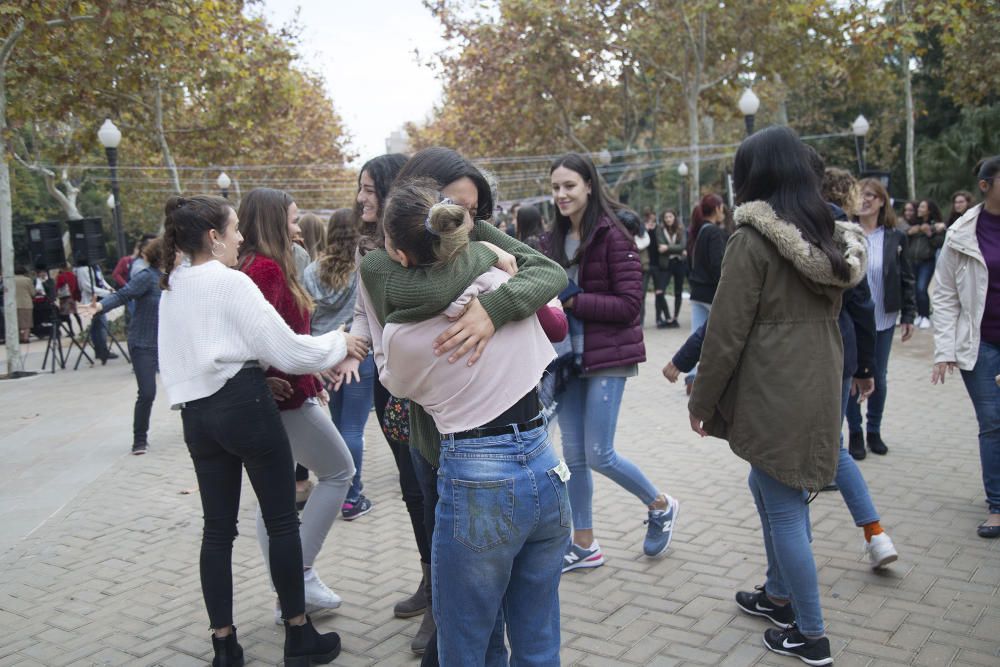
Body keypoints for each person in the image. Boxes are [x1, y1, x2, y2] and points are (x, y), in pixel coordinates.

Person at [348, 146, 568, 661]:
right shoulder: (501, 271)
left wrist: (493, 303)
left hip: (472, 467)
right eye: (455, 210)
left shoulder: (406, 332)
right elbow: (546, 277)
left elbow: (396, 371)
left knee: (466, 641)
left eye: (472, 212)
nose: (465, 221)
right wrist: (492, 266)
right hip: (542, 460)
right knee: (537, 639)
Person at [157, 194, 365, 665]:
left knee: (216, 531)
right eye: (233, 230)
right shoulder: (229, 282)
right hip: (245, 403)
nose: (240, 238)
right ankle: (298, 635)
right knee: (281, 520)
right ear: (213, 238)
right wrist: (339, 342)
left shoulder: (172, 286)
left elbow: (172, 361)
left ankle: (224, 645)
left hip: (197, 415)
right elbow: (289, 351)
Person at [689, 126, 867, 666]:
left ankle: (810, 634)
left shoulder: (752, 240)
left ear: (756, 176)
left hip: (774, 389)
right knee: (766, 485)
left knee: (785, 509)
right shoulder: (831, 237)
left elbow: (724, 332)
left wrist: (701, 402)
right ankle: (777, 594)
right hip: (819, 381)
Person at [546, 152, 679, 570]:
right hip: (567, 359)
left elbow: (628, 306)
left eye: (569, 185)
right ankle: (583, 544)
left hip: (608, 355)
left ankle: (660, 505)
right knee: (574, 457)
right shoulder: (553, 239)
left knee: (600, 453)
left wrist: (574, 298)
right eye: (555, 188)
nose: (562, 194)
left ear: (589, 185)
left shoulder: (613, 235)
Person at [235, 187, 358, 625]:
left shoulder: (265, 265)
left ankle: (292, 584)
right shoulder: (263, 269)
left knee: (274, 499)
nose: (298, 224)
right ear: (271, 221)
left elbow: (278, 340)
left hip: (289, 392)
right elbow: (257, 340)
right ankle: (296, 578)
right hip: (283, 400)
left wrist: (306, 378)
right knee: (340, 471)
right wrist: (270, 378)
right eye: (291, 217)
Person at [932, 156, 1000, 539]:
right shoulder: (961, 233)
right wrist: (944, 350)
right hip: (982, 344)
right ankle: (998, 506)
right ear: (985, 185)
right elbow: (943, 295)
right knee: (993, 424)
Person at [846, 178, 916, 459]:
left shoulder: (895, 236)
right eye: (860, 195)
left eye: (871, 196)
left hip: (884, 318)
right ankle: (856, 432)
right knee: (851, 376)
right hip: (853, 319)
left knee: (879, 377)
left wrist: (909, 313)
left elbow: (906, 277)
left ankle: (874, 430)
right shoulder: (847, 233)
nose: (865, 200)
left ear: (882, 201)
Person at [78, 239, 164, 455]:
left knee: (186, 391)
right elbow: (122, 295)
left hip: (168, 345)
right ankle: (139, 440)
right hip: (143, 343)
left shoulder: (175, 279)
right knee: (147, 393)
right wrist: (99, 306)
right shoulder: (147, 277)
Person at [684, 193, 726, 389]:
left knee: (696, 335)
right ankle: (716, 379)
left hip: (697, 291)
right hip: (711, 293)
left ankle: (692, 378)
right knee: (720, 336)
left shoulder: (697, 232)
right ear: (717, 208)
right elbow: (717, 265)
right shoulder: (714, 233)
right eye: (722, 207)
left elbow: (689, 263)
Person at [907, 198, 946, 329]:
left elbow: (940, 243)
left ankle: (925, 316)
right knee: (913, 289)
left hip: (927, 261)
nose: (919, 209)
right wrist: (912, 231)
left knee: (921, 288)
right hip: (912, 260)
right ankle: (919, 314)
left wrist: (929, 233)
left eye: (922, 207)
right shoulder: (913, 223)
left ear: (929, 210)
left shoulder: (937, 225)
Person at [74, 259, 118, 363]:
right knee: (101, 325)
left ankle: (100, 350)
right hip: (91, 299)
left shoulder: (95, 266)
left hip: (100, 298)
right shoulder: (82, 269)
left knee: (97, 325)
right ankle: (102, 350)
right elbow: (88, 286)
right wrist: (105, 292)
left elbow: (101, 281)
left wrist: (110, 289)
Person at [658, 209, 686, 328]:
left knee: (678, 292)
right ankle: (668, 318)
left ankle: (675, 318)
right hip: (666, 263)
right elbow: (660, 246)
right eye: (666, 217)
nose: (668, 219)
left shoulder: (681, 228)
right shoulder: (660, 229)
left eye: (670, 216)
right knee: (660, 292)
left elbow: (682, 246)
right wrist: (678, 249)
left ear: (674, 217)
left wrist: (668, 248)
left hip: (679, 263)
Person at [13, 266, 34, 344]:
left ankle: (19, 338)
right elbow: (33, 293)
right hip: (26, 303)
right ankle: (25, 338)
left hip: (14, 304)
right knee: (27, 322)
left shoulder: (11, 280)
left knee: (17, 322)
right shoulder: (27, 280)